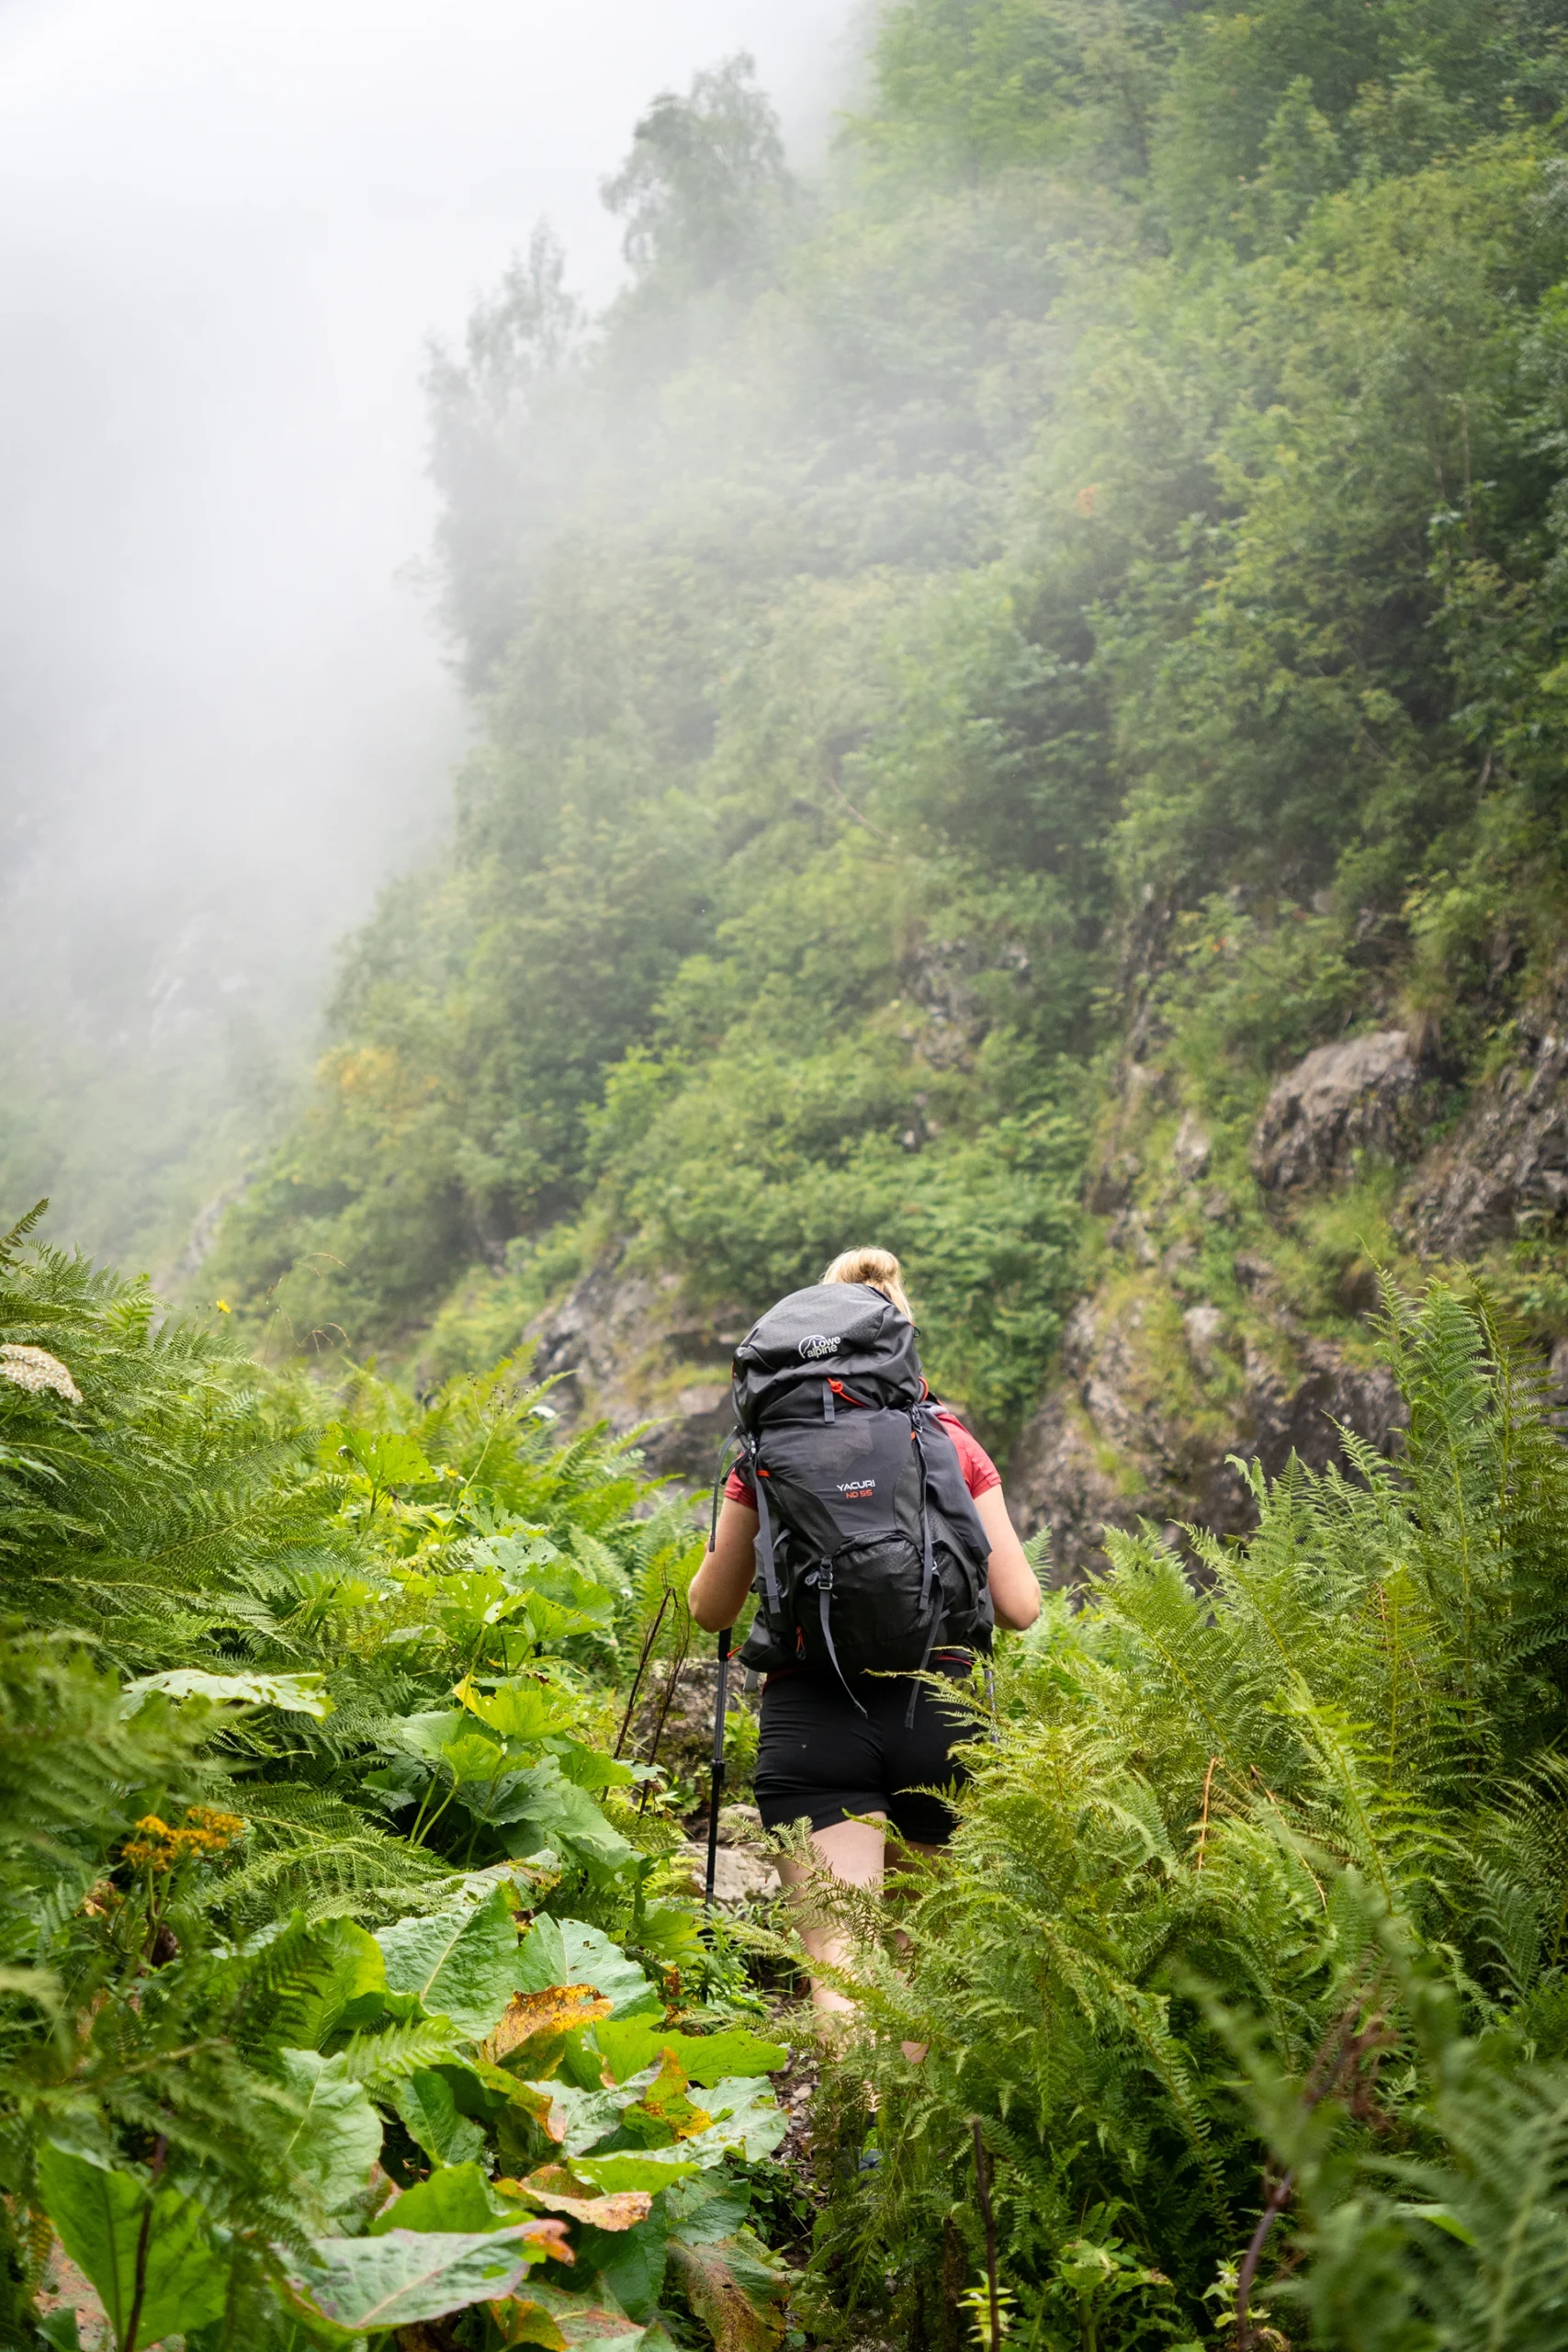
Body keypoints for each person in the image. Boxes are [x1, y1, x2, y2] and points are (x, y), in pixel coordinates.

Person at [686, 1246, 1041, 2021]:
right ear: (897, 1335)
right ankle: (916, 2136)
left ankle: (861, 2137)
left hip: (813, 1722)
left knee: (840, 1964)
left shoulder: (767, 1450)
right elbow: (1020, 1607)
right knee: (923, 1964)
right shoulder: (949, 1440)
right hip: (938, 1714)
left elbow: (712, 1610)